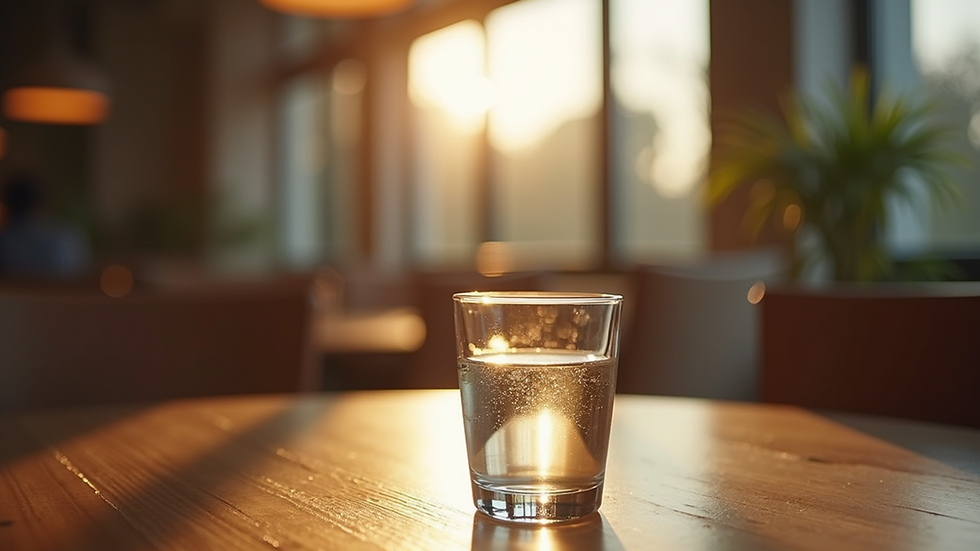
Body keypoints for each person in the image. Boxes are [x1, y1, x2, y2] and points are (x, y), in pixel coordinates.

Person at [0, 173, 92, 280]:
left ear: (8, 206)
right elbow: (83, 276)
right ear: (41, 203)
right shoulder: (66, 236)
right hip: (63, 295)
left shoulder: (3, 240)